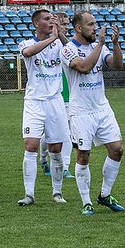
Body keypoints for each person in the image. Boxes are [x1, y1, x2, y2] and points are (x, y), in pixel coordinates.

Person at [60, 11, 124, 215]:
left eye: (95, 24)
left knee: (117, 149)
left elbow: (117, 65)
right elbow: (84, 67)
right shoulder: (68, 49)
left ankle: (104, 195)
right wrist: (99, 45)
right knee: (83, 156)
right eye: (90, 25)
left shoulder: (100, 46)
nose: (95, 28)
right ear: (78, 28)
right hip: (80, 111)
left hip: (102, 107)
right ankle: (86, 202)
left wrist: (114, 44)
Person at [17, 9, 70, 207]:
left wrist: (60, 34)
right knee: (30, 146)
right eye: (47, 19)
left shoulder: (59, 43)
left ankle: (57, 192)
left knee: (56, 149)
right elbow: (28, 53)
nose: (51, 22)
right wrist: (52, 39)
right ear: (35, 24)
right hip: (34, 102)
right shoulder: (27, 43)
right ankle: (29, 194)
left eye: (52, 19)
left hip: (55, 102)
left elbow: (71, 49)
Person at [39, 12, 75, 179]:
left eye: (68, 24)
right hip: (51, 94)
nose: (67, 27)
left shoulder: (67, 44)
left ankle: (65, 166)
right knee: (48, 135)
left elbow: (72, 51)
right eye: (64, 24)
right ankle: (43, 158)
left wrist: (60, 34)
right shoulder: (49, 43)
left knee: (67, 133)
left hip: (70, 96)